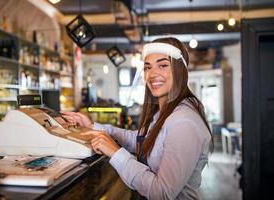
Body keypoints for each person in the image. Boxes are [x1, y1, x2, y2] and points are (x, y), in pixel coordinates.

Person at [61, 37, 212, 200]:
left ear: (180, 70)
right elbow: (140, 139)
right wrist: (93, 126)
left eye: (163, 65)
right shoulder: (165, 113)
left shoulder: (184, 122)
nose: (152, 74)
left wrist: (115, 152)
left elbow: (162, 193)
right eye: (148, 67)